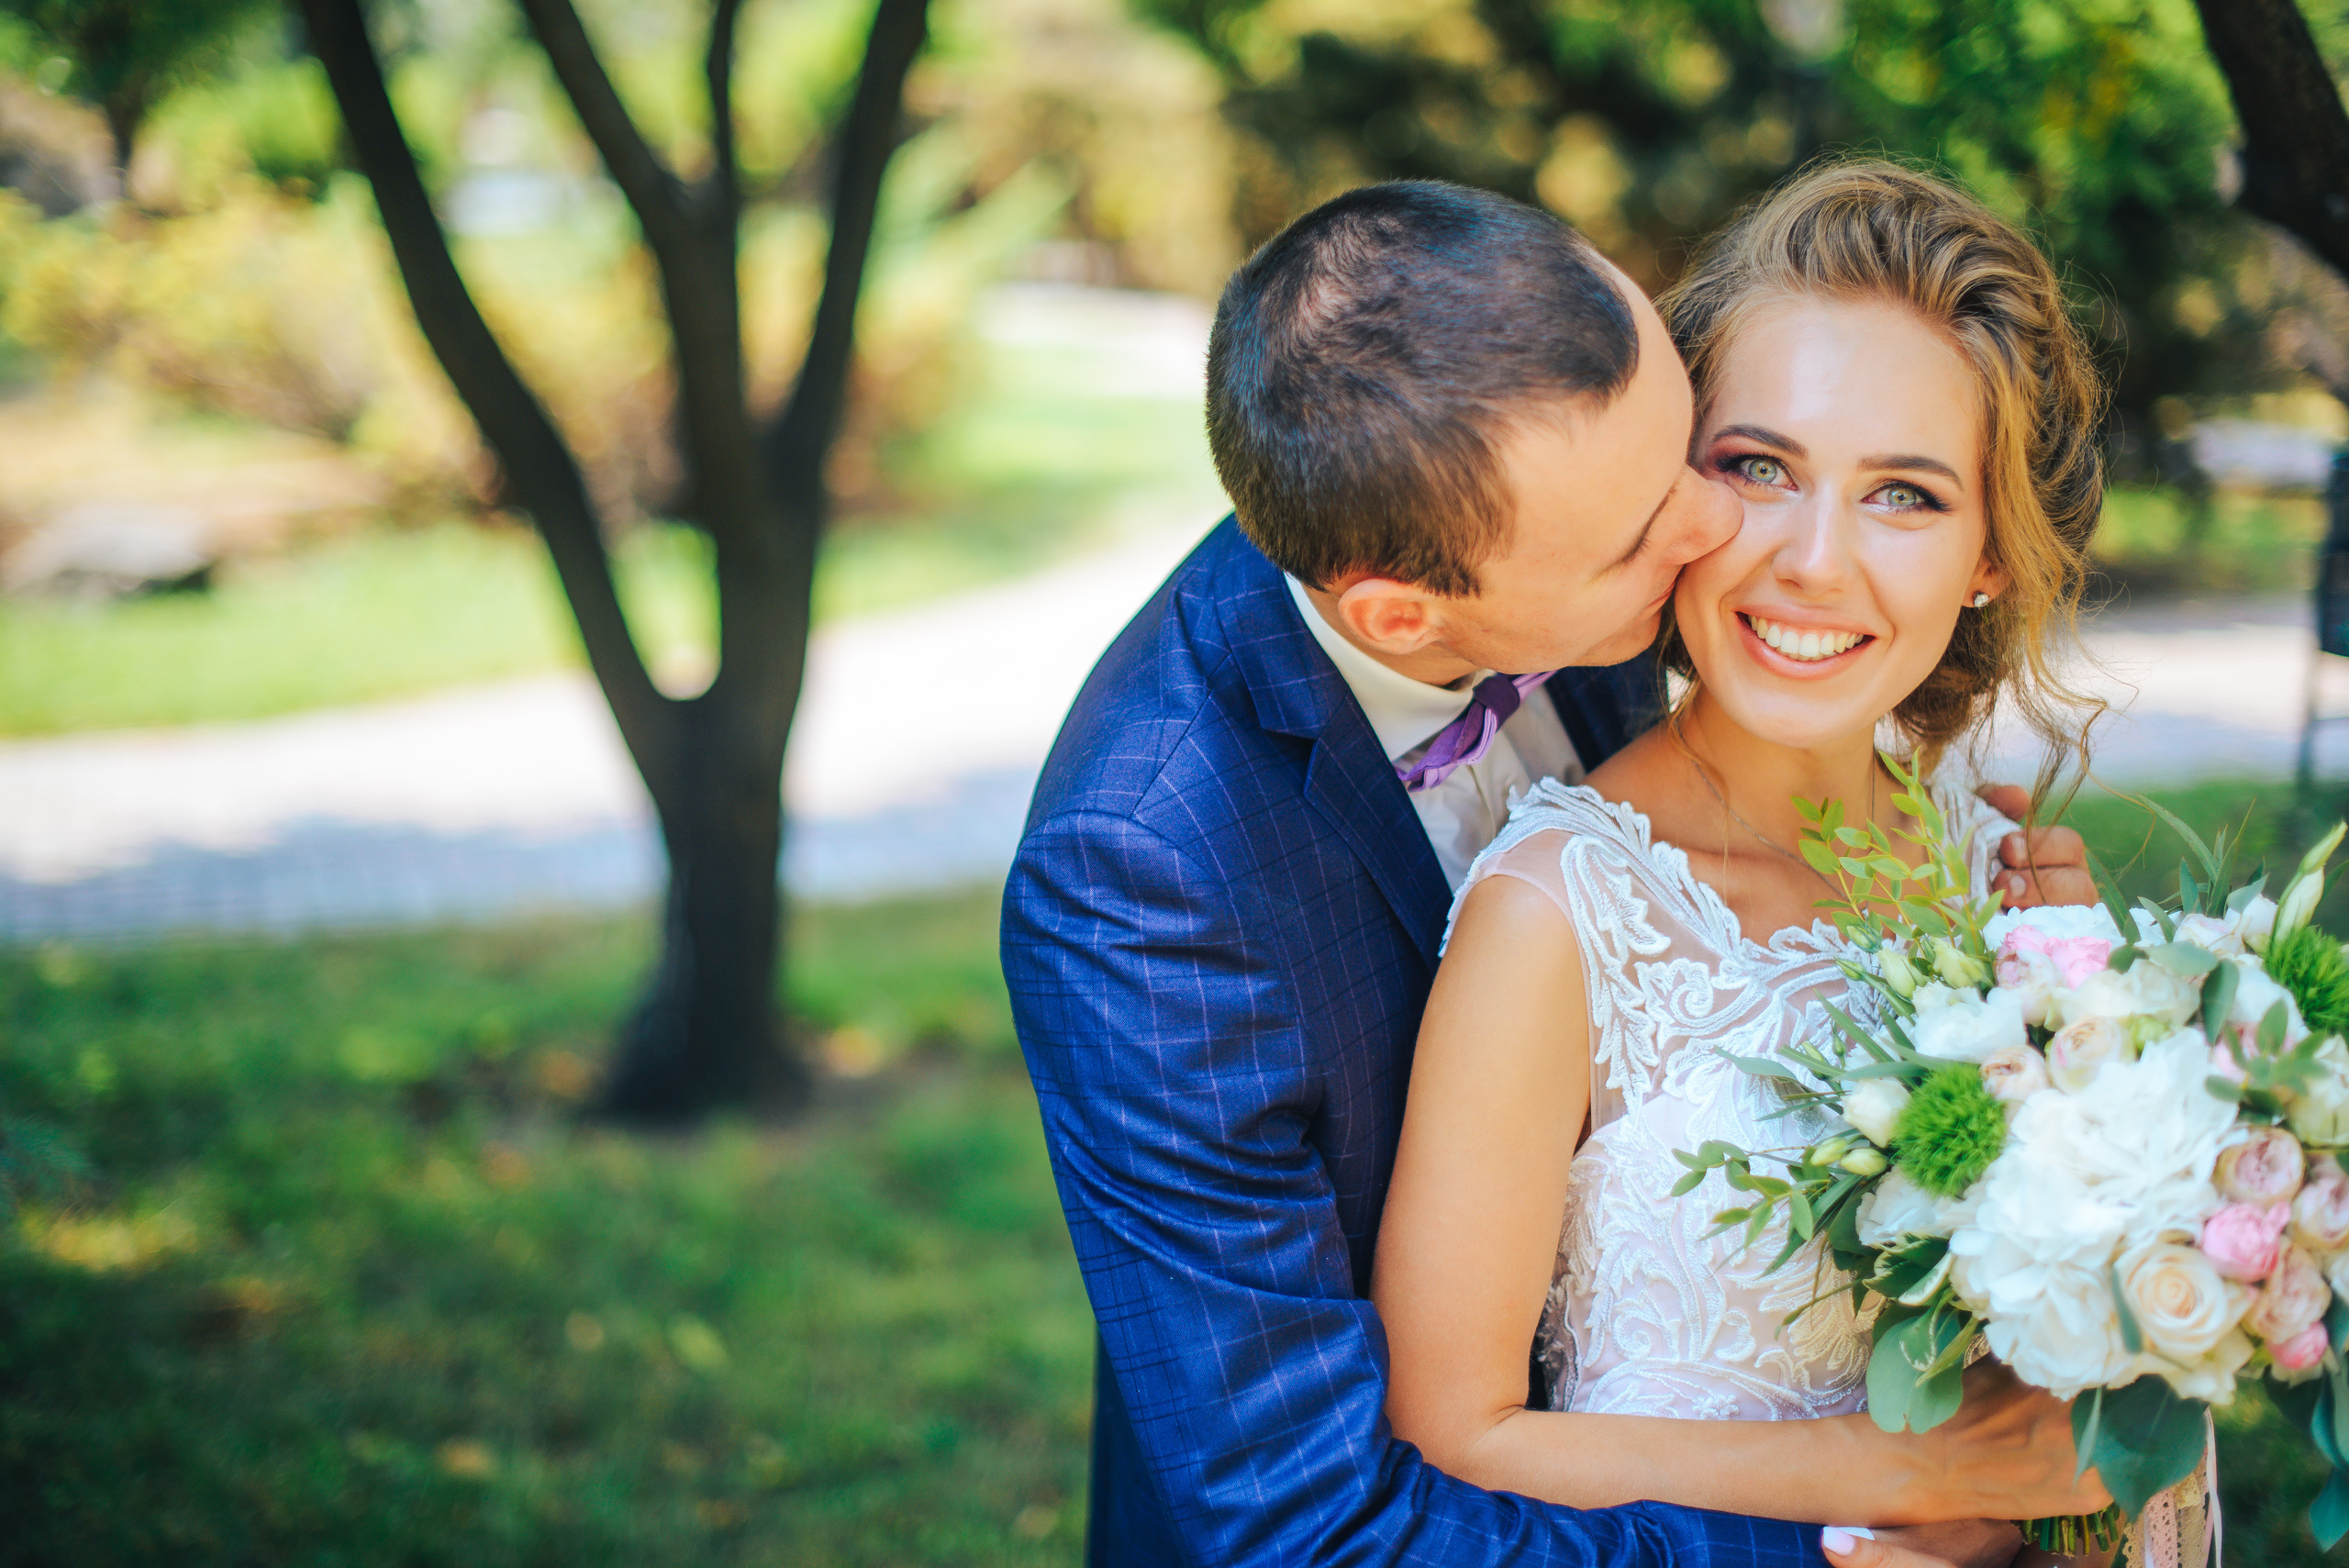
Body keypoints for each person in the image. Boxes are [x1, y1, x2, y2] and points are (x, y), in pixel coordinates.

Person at [1001, 176, 2092, 1567]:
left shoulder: (1548, 468)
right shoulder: (1145, 873)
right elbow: (1315, 1521)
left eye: (1702, 451)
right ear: (1407, 614)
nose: (1725, 532)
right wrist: (1894, 1509)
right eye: (1729, 477)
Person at [1374, 161, 2197, 1568]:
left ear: (1990, 552)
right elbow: (1448, 1433)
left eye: (1905, 495)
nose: (1812, 561)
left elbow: (2100, 1365)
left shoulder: (2006, 875)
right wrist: (1905, 1474)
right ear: (1677, 489)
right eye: (1760, 468)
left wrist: (2110, 1050)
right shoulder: (1558, 914)